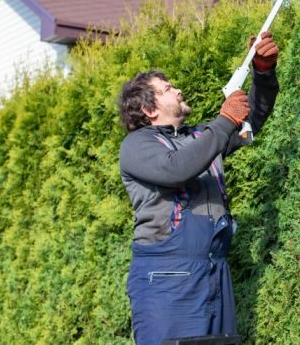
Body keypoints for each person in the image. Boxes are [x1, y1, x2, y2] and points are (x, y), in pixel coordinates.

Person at [117, 32, 279, 344]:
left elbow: (252, 120)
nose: (177, 90)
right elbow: (177, 168)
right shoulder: (136, 146)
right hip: (168, 281)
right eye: (167, 89)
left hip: (215, 274)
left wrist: (263, 72)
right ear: (149, 110)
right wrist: (223, 120)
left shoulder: (201, 138)